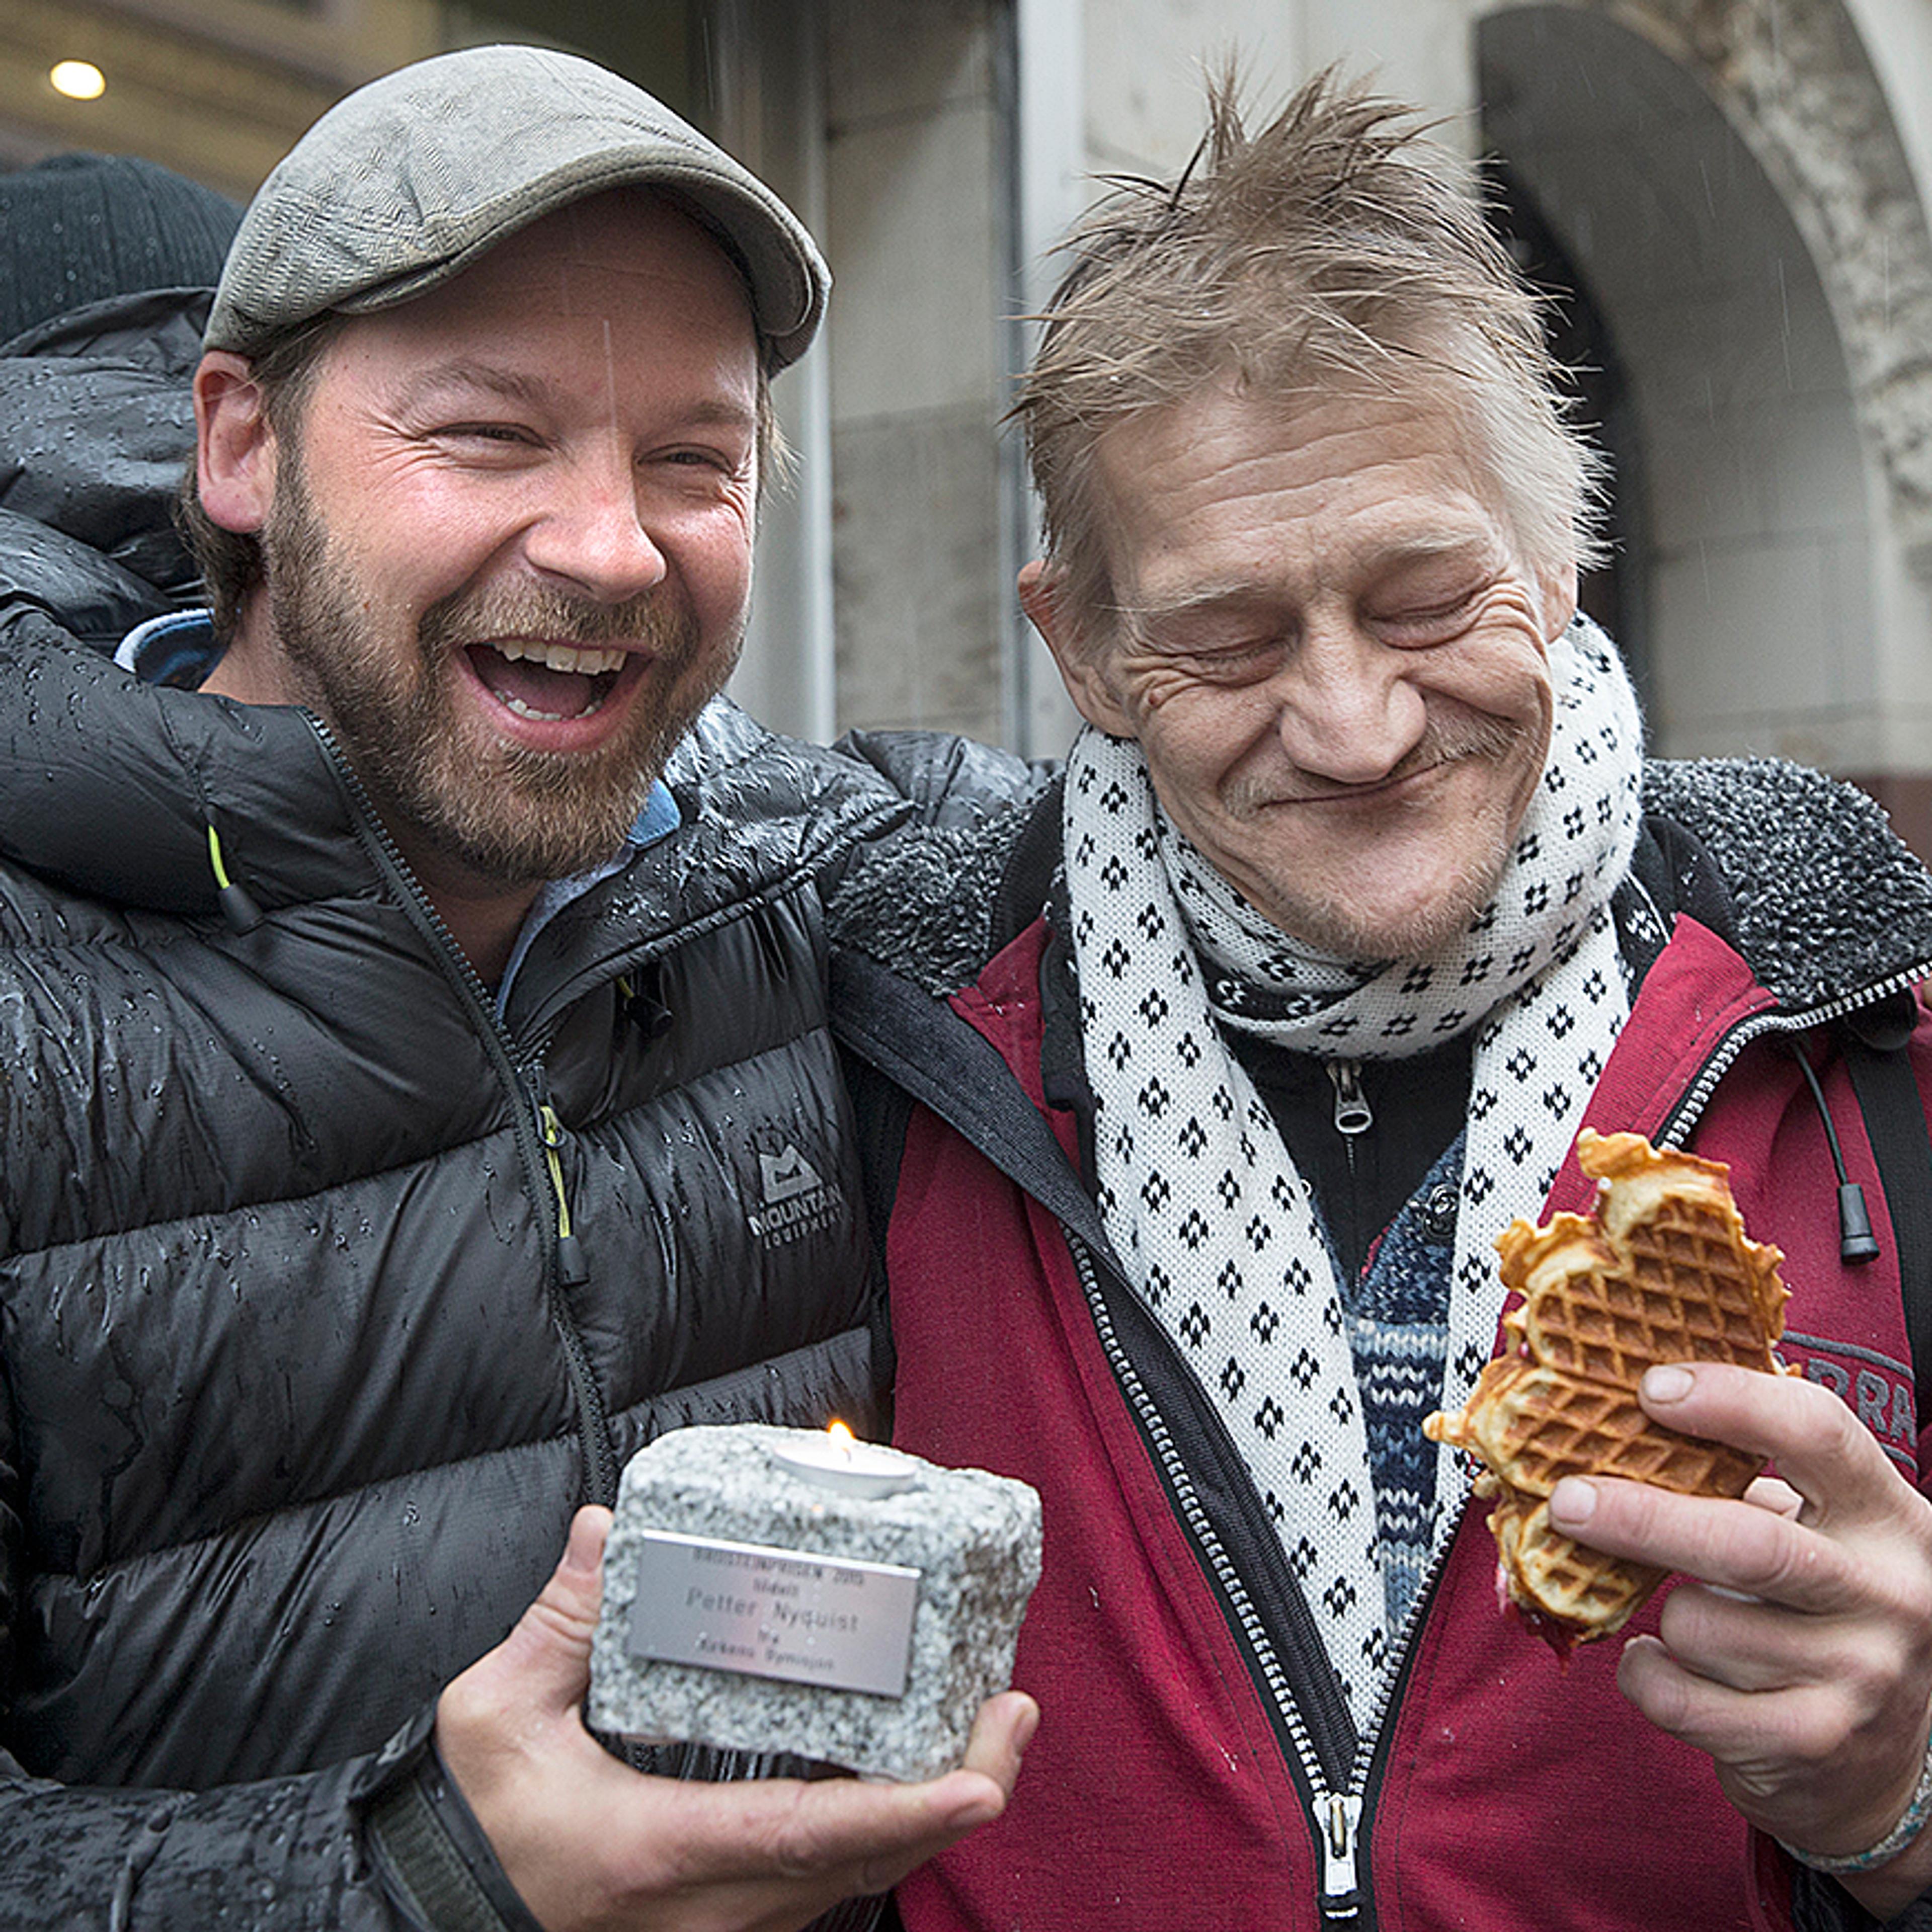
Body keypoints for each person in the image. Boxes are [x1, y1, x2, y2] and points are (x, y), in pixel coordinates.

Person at [829, 72, 1932, 1931]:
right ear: (1082, 647)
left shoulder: (1877, 1041)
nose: (1353, 729)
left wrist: (1909, 1805)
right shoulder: (876, 1071)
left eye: (1426, 601)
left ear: (1557, 563)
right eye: (1227, 638)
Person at [0, 45, 1033, 1932]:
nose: (610, 546)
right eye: (488, 435)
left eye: (694, 460)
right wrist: (426, 1882)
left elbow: (1265, 822)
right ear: (241, 450)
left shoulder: (808, 897)